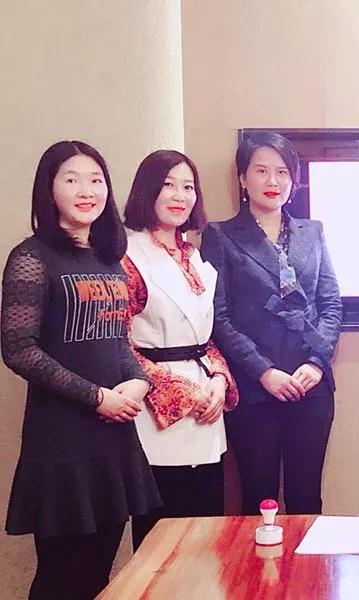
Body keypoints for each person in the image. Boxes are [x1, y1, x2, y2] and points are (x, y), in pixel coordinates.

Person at [1, 141, 160, 599]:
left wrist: (139, 381)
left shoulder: (108, 258)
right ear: (49, 190)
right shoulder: (31, 257)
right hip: (61, 443)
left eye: (96, 180)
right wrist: (97, 397)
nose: (86, 190)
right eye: (71, 179)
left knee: (98, 575)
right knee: (60, 580)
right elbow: (18, 349)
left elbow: (117, 339)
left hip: (114, 440)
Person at [201, 132, 342, 515]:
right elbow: (218, 316)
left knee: (306, 498)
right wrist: (264, 372)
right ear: (243, 178)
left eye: (282, 172)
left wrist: (316, 363)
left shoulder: (313, 232)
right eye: (261, 171)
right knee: (257, 498)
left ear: (293, 180)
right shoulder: (220, 235)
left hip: (311, 386)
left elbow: (331, 304)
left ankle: (307, 559)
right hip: (254, 389)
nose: (273, 181)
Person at [122, 150, 239, 549]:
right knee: (160, 542)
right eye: (168, 185)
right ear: (147, 191)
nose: (180, 195)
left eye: (188, 187)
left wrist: (219, 380)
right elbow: (119, 343)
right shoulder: (127, 255)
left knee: (206, 537)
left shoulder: (193, 254)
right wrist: (184, 393)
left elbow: (205, 337)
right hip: (155, 411)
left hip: (206, 408)